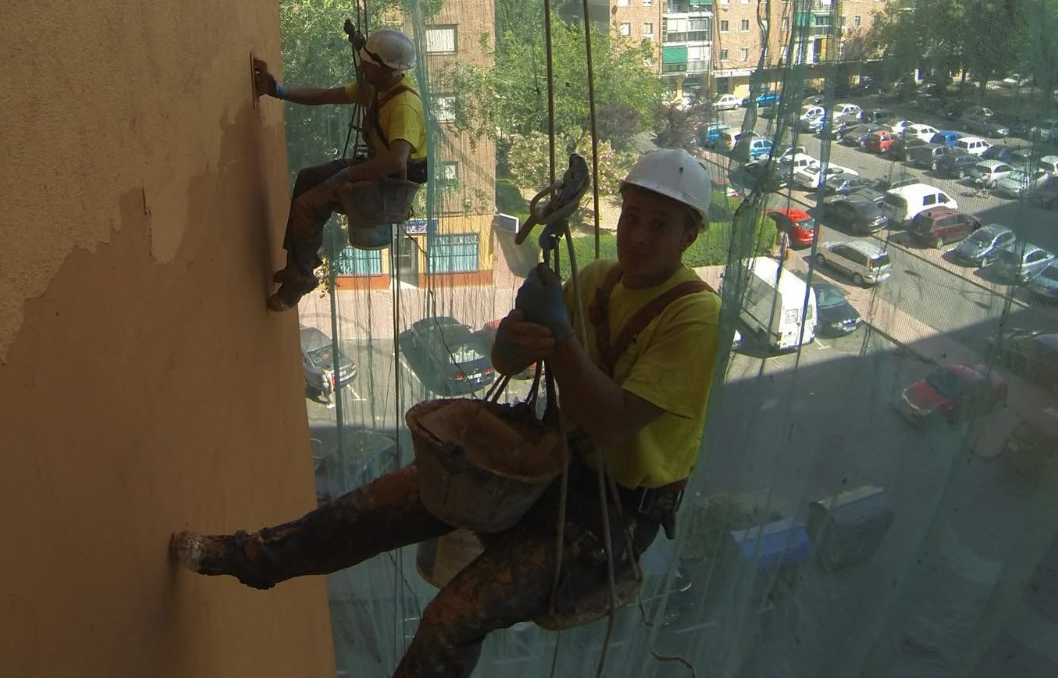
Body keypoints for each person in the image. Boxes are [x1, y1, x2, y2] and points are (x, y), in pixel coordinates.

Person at [170, 149, 722, 677]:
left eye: (659, 225)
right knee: (368, 509)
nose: (639, 236)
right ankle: (250, 557)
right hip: (551, 460)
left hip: (610, 512)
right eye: (633, 217)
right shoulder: (598, 279)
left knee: (452, 621)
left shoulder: (693, 316)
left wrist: (559, 334)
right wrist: (516, 336)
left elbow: (613, 422)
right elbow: (507, 362)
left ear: (689, 236)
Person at [253, 27, 426, 312]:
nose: (362, 66)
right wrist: (278, 91)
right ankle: (300, 263)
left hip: (392, 184)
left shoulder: (405, 105)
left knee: (309, 205)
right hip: (378, 168)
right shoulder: (376, 89)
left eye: (367, 63)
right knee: (308, 179)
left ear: (386, 69)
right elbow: (325, 95)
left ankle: (299, 281)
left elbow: (396, 161)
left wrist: (347, 175)